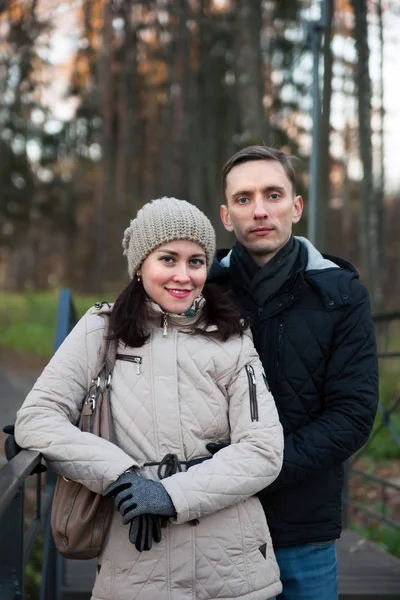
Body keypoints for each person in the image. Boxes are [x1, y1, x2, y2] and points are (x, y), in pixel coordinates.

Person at [15, 197, 284, 600]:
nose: (183, 275)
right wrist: (122, 475)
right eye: (168, 258)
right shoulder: (99, 330)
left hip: (233, 566)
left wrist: (170, 495)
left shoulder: (232, 335)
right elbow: (37, 418)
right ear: (140, 264)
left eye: (196, 261)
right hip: (136, 563)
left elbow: (264, 449)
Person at [209, 146, 379, 600]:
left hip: (302, 531)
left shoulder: (340, 293)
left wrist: (256, 469)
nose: (260, 210)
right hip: (210, 524)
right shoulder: (199, 289)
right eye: (244, 199)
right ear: (227, 216)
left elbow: (353, 414)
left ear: (296, 207)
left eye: (273, 194)